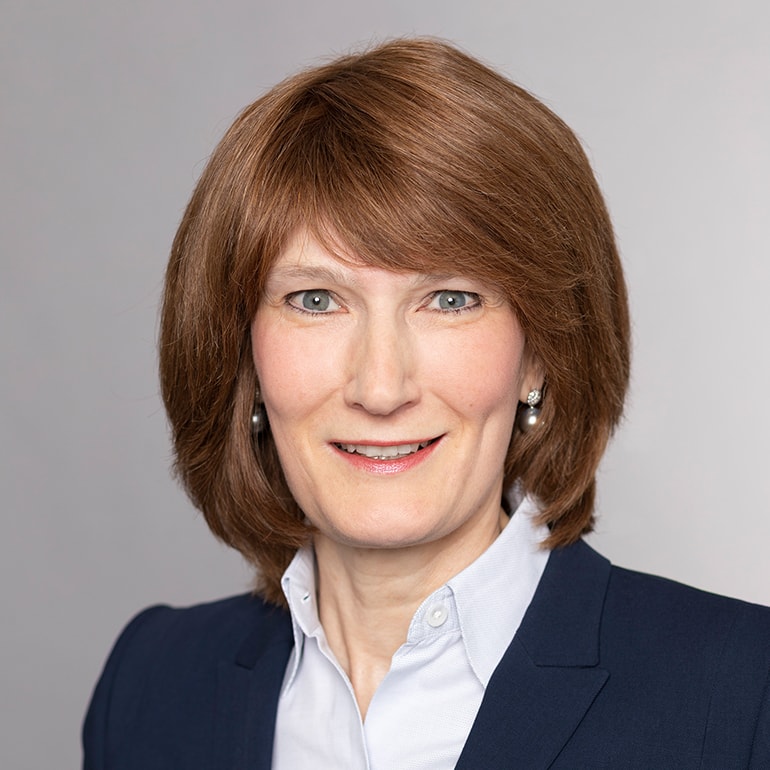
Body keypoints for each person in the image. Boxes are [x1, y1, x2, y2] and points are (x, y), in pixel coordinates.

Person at [83, 38, 770, 769]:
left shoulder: (741, 693)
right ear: (242, 351)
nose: (381, 387)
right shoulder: (151, 685)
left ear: (540, 352)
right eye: (316, 300)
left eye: (450, 299)